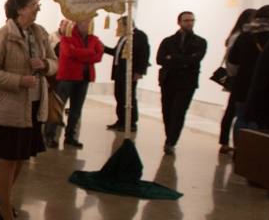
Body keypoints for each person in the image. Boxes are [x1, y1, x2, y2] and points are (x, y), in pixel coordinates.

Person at [0, 0, 56, 220]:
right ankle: (5, 210)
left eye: (38, 4)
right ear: (19, 8)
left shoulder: (39, 34)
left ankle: (4, 197)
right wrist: (19, 80)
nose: (38, 8)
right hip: (10, 108)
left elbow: (54, 62)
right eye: (34, 4)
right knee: (8, 157)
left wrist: (46, 65)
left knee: (22, 157)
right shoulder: (3, 37)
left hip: (35, 105)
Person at [155, 11, 208, 154]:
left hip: (187, 82)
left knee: (179, 111)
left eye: (192, 20)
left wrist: (172, 58)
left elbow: (195, 59)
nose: (189, 23)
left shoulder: (200, 42)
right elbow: (160, 59)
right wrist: (183, 59)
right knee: (167, 111)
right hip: (169, 80)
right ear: (179, 22)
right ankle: (169, 137)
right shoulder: (168, 41)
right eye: (186, 20)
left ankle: (171, 141)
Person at [226, 4, 269, 135]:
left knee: (243, 118)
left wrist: (237, 75)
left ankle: (240, 150)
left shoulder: (245, 36)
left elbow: (233, 61)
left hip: (244, 83)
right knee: (265, 121)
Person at [54, 18, 104, 149]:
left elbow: (99, 55)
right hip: (68, 76)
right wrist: (89, 53)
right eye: (85, 22)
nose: (87, 24)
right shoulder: (67, 38)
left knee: (76, 110)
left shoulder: (94, 39)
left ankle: (70, 136)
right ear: (77, 23)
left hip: (84, 77)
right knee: (58, 108)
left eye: (89, 22)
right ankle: (50, 136)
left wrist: (79, 53)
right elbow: (68, 52)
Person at [216, 8, 256, 154]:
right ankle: (225, 141)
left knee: (232, 110)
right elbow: (232, 60)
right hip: (239, 79)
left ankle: (225, 141)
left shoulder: (239, 35)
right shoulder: (239, 36)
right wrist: (235, 75)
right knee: (232, 111)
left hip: (238, 79)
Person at [103, 16, 150, 131]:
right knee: (119, 96)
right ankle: (121, 120)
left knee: (128, 98)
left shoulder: (139, 36)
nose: (118, 28)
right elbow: (116, 52)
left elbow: (144, 54)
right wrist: (103, 48)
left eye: (120, 25)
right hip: (119, 72)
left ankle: (131, 122)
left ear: (126, 25)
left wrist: (139, 72)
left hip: (130, 73)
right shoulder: (124, 37)